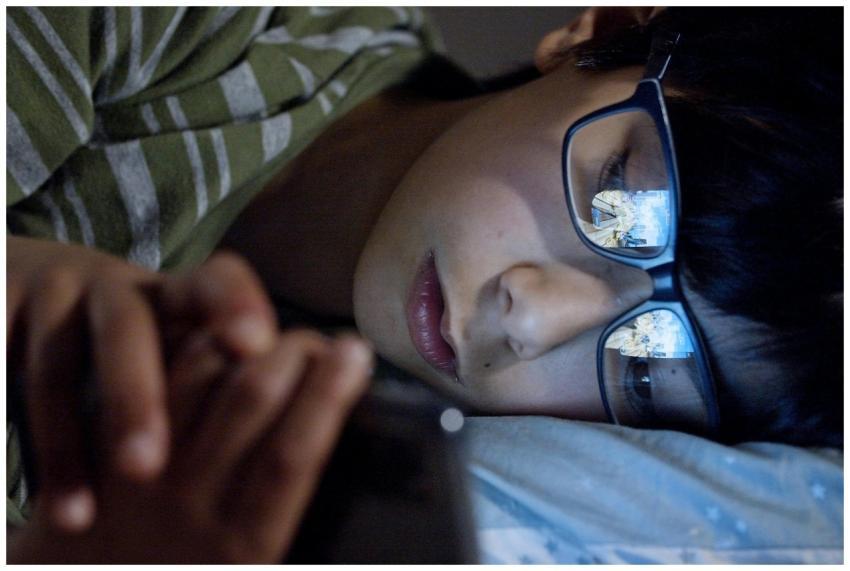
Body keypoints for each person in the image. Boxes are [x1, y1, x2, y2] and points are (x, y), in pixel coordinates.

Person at [6, 5, 842, 563]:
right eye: (618, 197)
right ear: (601, 32)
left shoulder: (341, 478)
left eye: (647, 369)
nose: (532, 317)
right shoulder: (227, 23)